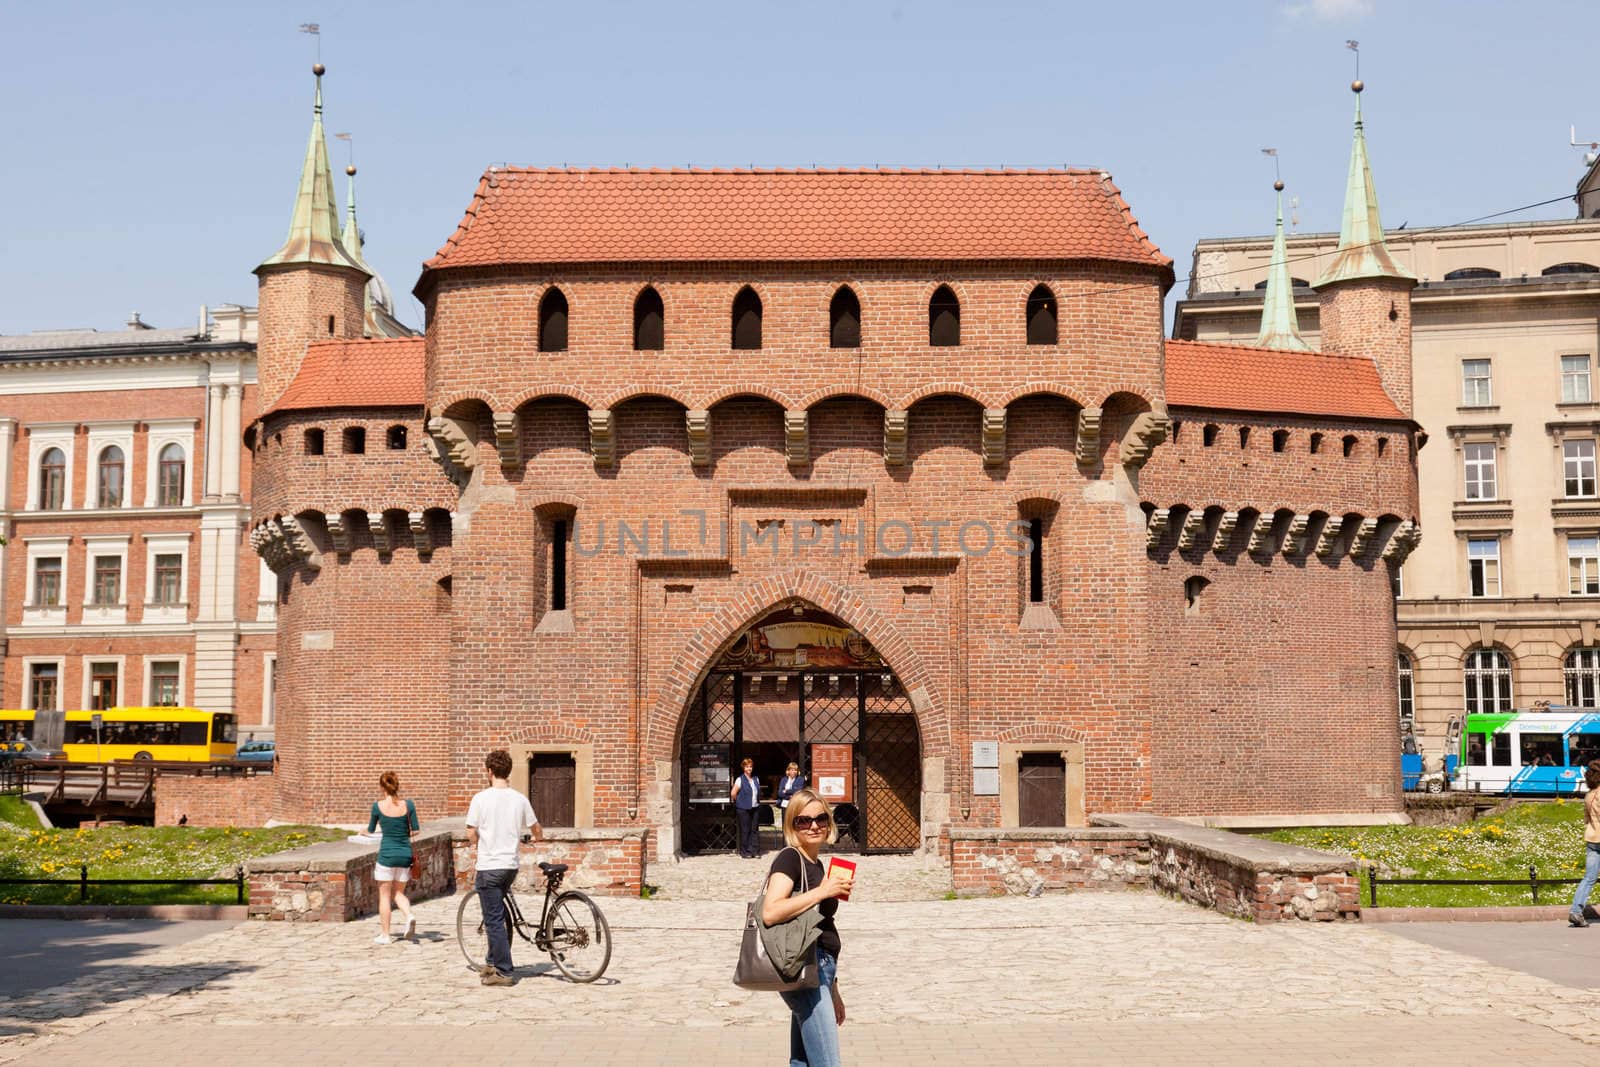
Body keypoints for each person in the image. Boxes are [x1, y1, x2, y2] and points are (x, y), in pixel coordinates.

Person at [762, 788, 853, 1067]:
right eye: (804, 820)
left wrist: (834, 989)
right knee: (826, 1063)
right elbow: (770, 911)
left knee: (802, 1063)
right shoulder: (790, 859)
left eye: (820, 819)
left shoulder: (817, 863)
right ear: (792, 825)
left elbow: (821, 926)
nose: (814, 826)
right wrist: (821, 892)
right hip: (804, 967)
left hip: (820, 970)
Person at [466, 749, 540, 985]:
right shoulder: (519, 799)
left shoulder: (480, 798)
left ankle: (505, 971)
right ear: (508, 772)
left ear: (489, 771)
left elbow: (470, 830)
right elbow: (536, 827)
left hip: (489, 866)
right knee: (498, 913)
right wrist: (536, 837)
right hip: (510, 865)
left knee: (493, 920)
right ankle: (491, 961)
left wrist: (475, 846)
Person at [367, 770, 419, 945]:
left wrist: (362, 831)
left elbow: (371, 830)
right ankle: (409, 915)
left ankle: (385, 935)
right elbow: (416, 830)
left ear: (382, 787)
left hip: (386, 856)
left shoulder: (377, 807)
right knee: (398, 893)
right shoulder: (408, 805)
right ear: (397, 786)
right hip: (404, 854)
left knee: (384, 896)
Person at [1571, 761, 1600, 928]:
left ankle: (1576, 911)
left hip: (1592, 838)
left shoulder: (1589, 795)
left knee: (1589, 878)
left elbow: (1586, 819)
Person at [731, 756, 761, 858]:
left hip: (755, 807)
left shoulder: (756, 779)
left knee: (754, 829)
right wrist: (740, 802)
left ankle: (755, 851)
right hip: (743, 808)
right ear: (743, 768)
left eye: (751, 767)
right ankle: (745, 852)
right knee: (745, 830)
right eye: (747, 767)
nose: (749, 768)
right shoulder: (740, 779)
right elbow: (733, 793)